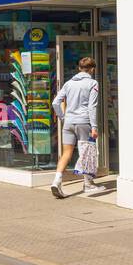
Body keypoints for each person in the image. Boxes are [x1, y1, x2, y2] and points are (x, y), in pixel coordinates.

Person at [50, 57, 105, 198]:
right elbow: (92, 107)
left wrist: (63, 117)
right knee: (86, 152)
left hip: (68, 122)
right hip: (83, 122)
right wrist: (94, 127)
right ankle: (88, 184)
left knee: (66, 153)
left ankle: (56, 181)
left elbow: (56, 102)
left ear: (79, 68)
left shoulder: (68, 83)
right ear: (92, 69)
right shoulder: (93, 83)